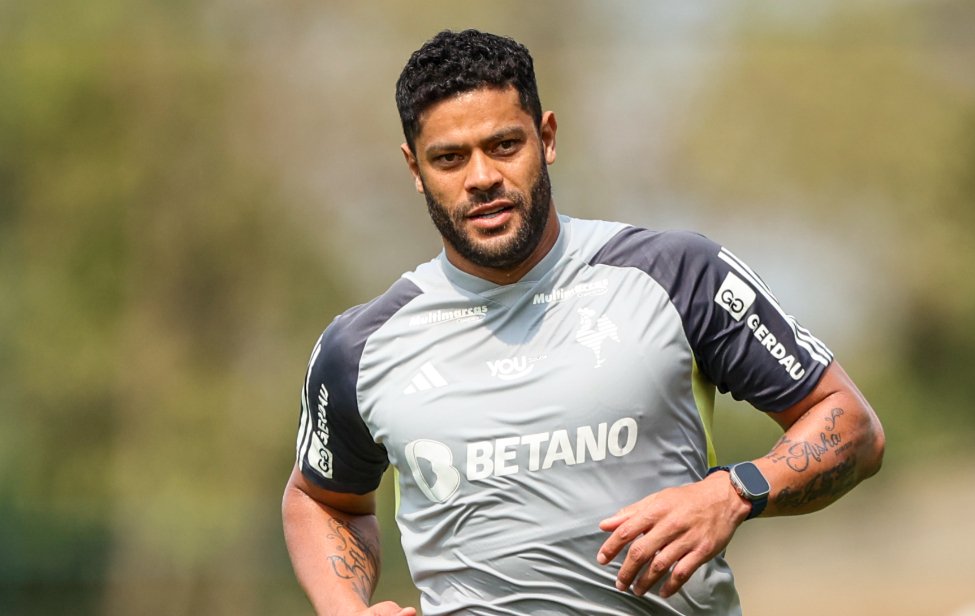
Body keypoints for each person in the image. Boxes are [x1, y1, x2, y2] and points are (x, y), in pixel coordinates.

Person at [281, 29, 885, 616]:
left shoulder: (676, 274)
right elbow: (320, 499)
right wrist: (343, 609)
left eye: (503, 145)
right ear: (415, 168)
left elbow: (852, 426)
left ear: (546, 137)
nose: (482, 176)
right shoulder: (362, 346)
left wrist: (733, 491)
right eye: (449, 158)